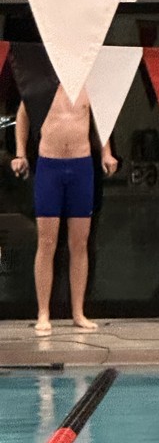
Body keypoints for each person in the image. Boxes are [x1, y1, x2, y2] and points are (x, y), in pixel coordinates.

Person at [11, 87, 118, 335]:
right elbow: (23, 114)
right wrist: (20, 153)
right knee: (46, 242)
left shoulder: (89, 86)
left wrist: (106, 152)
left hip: (81, 167)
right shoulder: (42, 84)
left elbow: (102, 118)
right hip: (49, 166)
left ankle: (78, 312)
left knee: (79, 243)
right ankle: (43, 312)